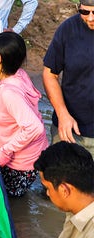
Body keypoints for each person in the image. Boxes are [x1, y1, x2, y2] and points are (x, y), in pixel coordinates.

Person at [0, 32, 47, 197]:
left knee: (1, 202)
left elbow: (35, 128)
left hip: (21, 165)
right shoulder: (18, 75)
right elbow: (15, 114)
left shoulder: (9, 91)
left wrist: (5, 152)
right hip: (29, 157)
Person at [42, 0, 94, 157]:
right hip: (68, 130)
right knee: (58, 179)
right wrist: (62, 113)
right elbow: (50, 74)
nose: (90, 18)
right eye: (85, 12)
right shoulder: (68, 29)